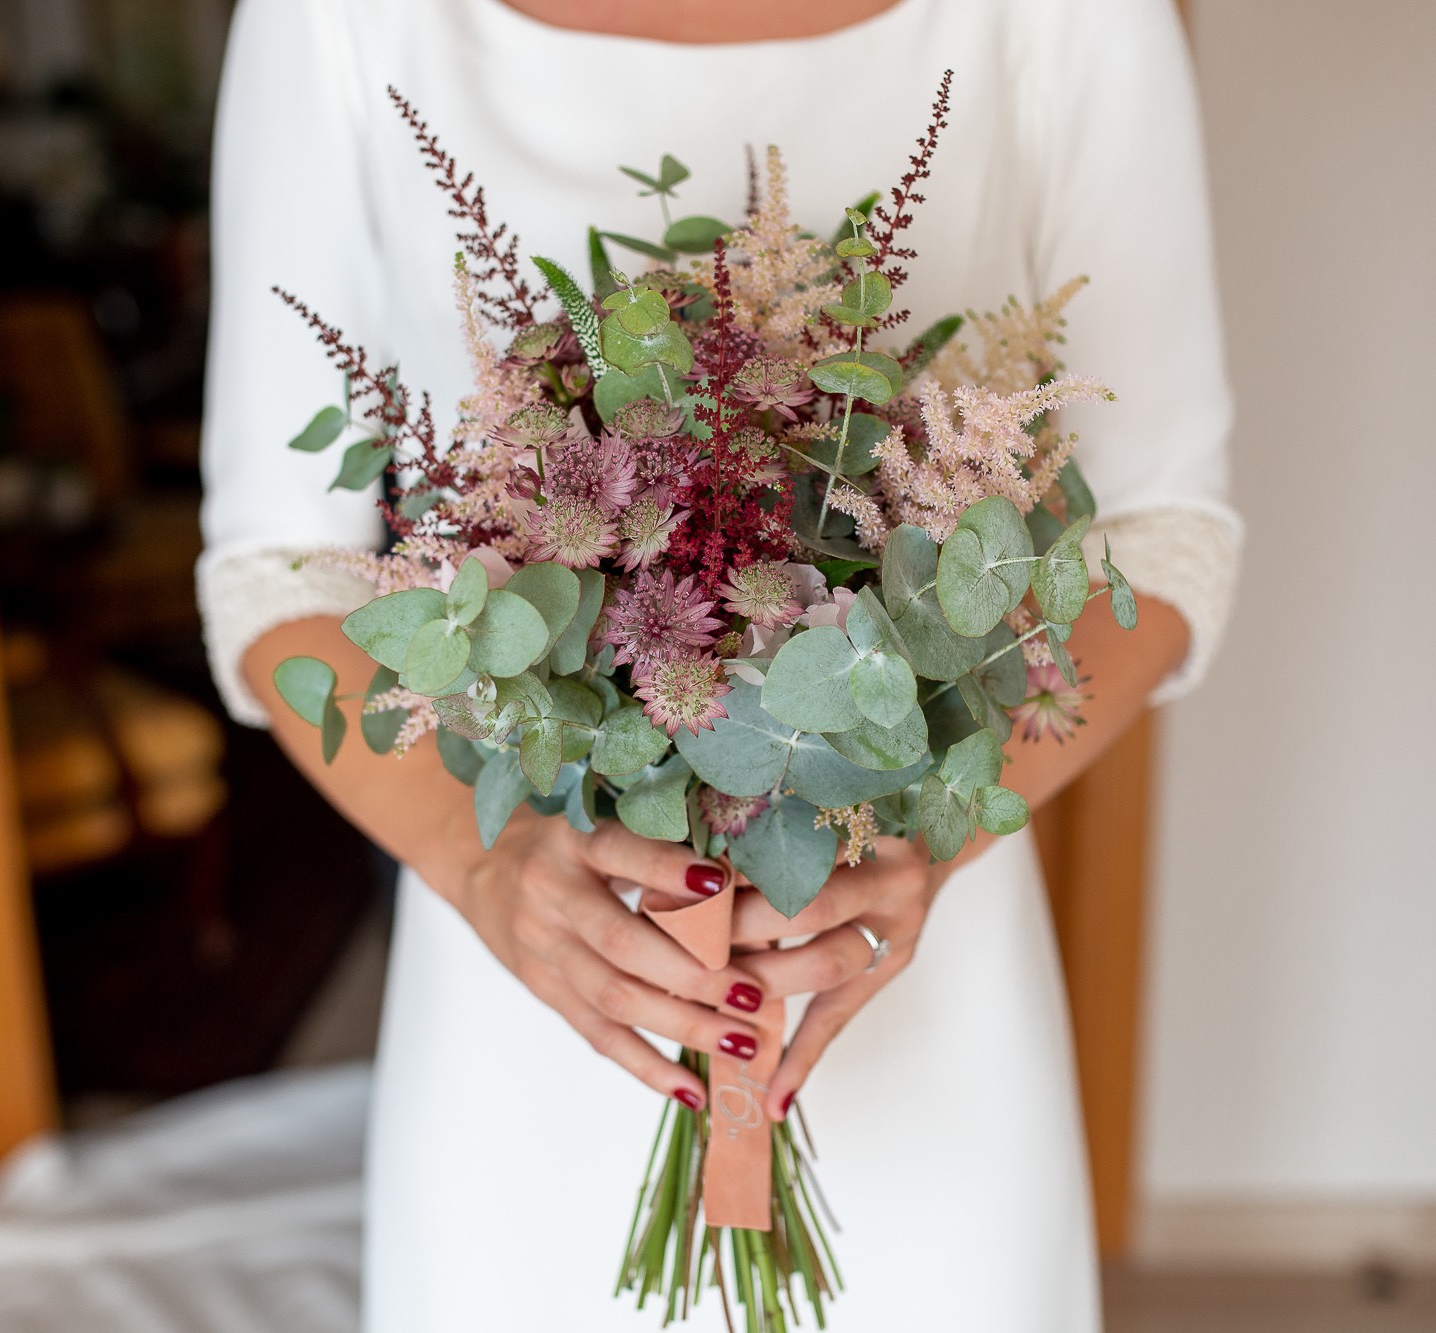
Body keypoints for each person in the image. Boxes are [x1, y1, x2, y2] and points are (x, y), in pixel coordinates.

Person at [198, 0, 1239, 1326]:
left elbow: (1168, 534)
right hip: (528, 1012)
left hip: (913, 974)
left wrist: (914, 834)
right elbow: (277, 567)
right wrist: (484, 862)